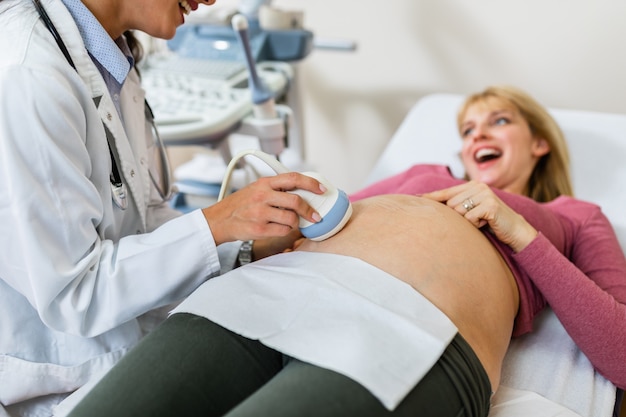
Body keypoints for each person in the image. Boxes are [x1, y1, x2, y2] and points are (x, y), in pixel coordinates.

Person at [65, 86, 626, 417]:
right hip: (265, 295)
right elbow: (321, 220)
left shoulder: (577, 217)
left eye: (498, 120)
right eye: (467, 126)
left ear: (540, 141)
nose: (477, 133)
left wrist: (519, 233)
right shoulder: (419, 174)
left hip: (408, 333)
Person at [0, 0, 328, 415]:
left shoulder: (108, 56)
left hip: (130, 350)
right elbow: (74, 294)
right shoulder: (27, 77)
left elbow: (140, 219)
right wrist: (217, 223)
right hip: (57, 388)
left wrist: (242, 247)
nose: (211, 1)